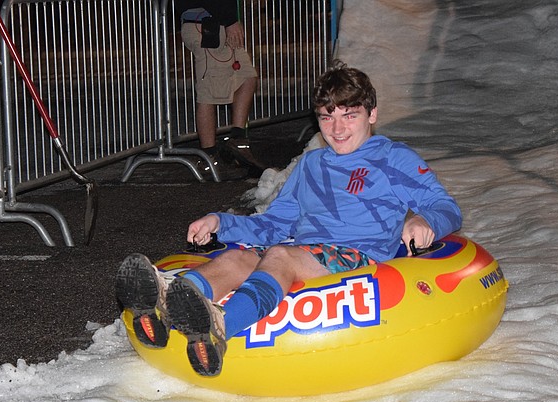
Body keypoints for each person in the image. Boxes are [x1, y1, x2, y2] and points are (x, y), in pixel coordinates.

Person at [115, 60, 462, 377]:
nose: (337, 129)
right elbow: (274, 225)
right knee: (238, 257)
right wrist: (220, 222)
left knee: (279, 255)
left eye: (349, 115)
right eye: (327, 117)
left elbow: (445, 206)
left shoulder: (393, 157)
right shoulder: (311, 165)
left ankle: (222, 326)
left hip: (361, 260)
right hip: (304, 252)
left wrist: (426, 220)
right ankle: (167, 306)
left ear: (371, 114)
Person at [175, 0, 266, 180]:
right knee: (210, 90)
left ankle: (237, 141)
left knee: (247, 76)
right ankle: (209, 157)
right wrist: (230, 20)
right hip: (206, 25)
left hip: (216, 23)